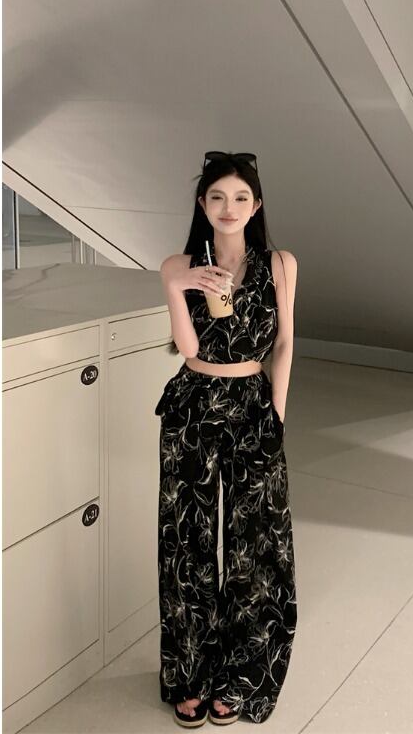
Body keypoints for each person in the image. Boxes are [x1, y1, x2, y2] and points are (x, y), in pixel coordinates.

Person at [153, 151, 298, 727]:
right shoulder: (179, 264)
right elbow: (188, 349)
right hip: (193, 405)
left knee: (253, 546)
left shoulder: (280, 264)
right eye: (217, 197)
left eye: (240, 198)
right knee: (186, 543)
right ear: (202, 204)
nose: (228, 207)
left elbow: (284, 342)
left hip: (253, 406)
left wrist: (276, 415)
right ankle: (190, 672)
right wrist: (177, 287)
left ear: (256, 206)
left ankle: (243, 674)